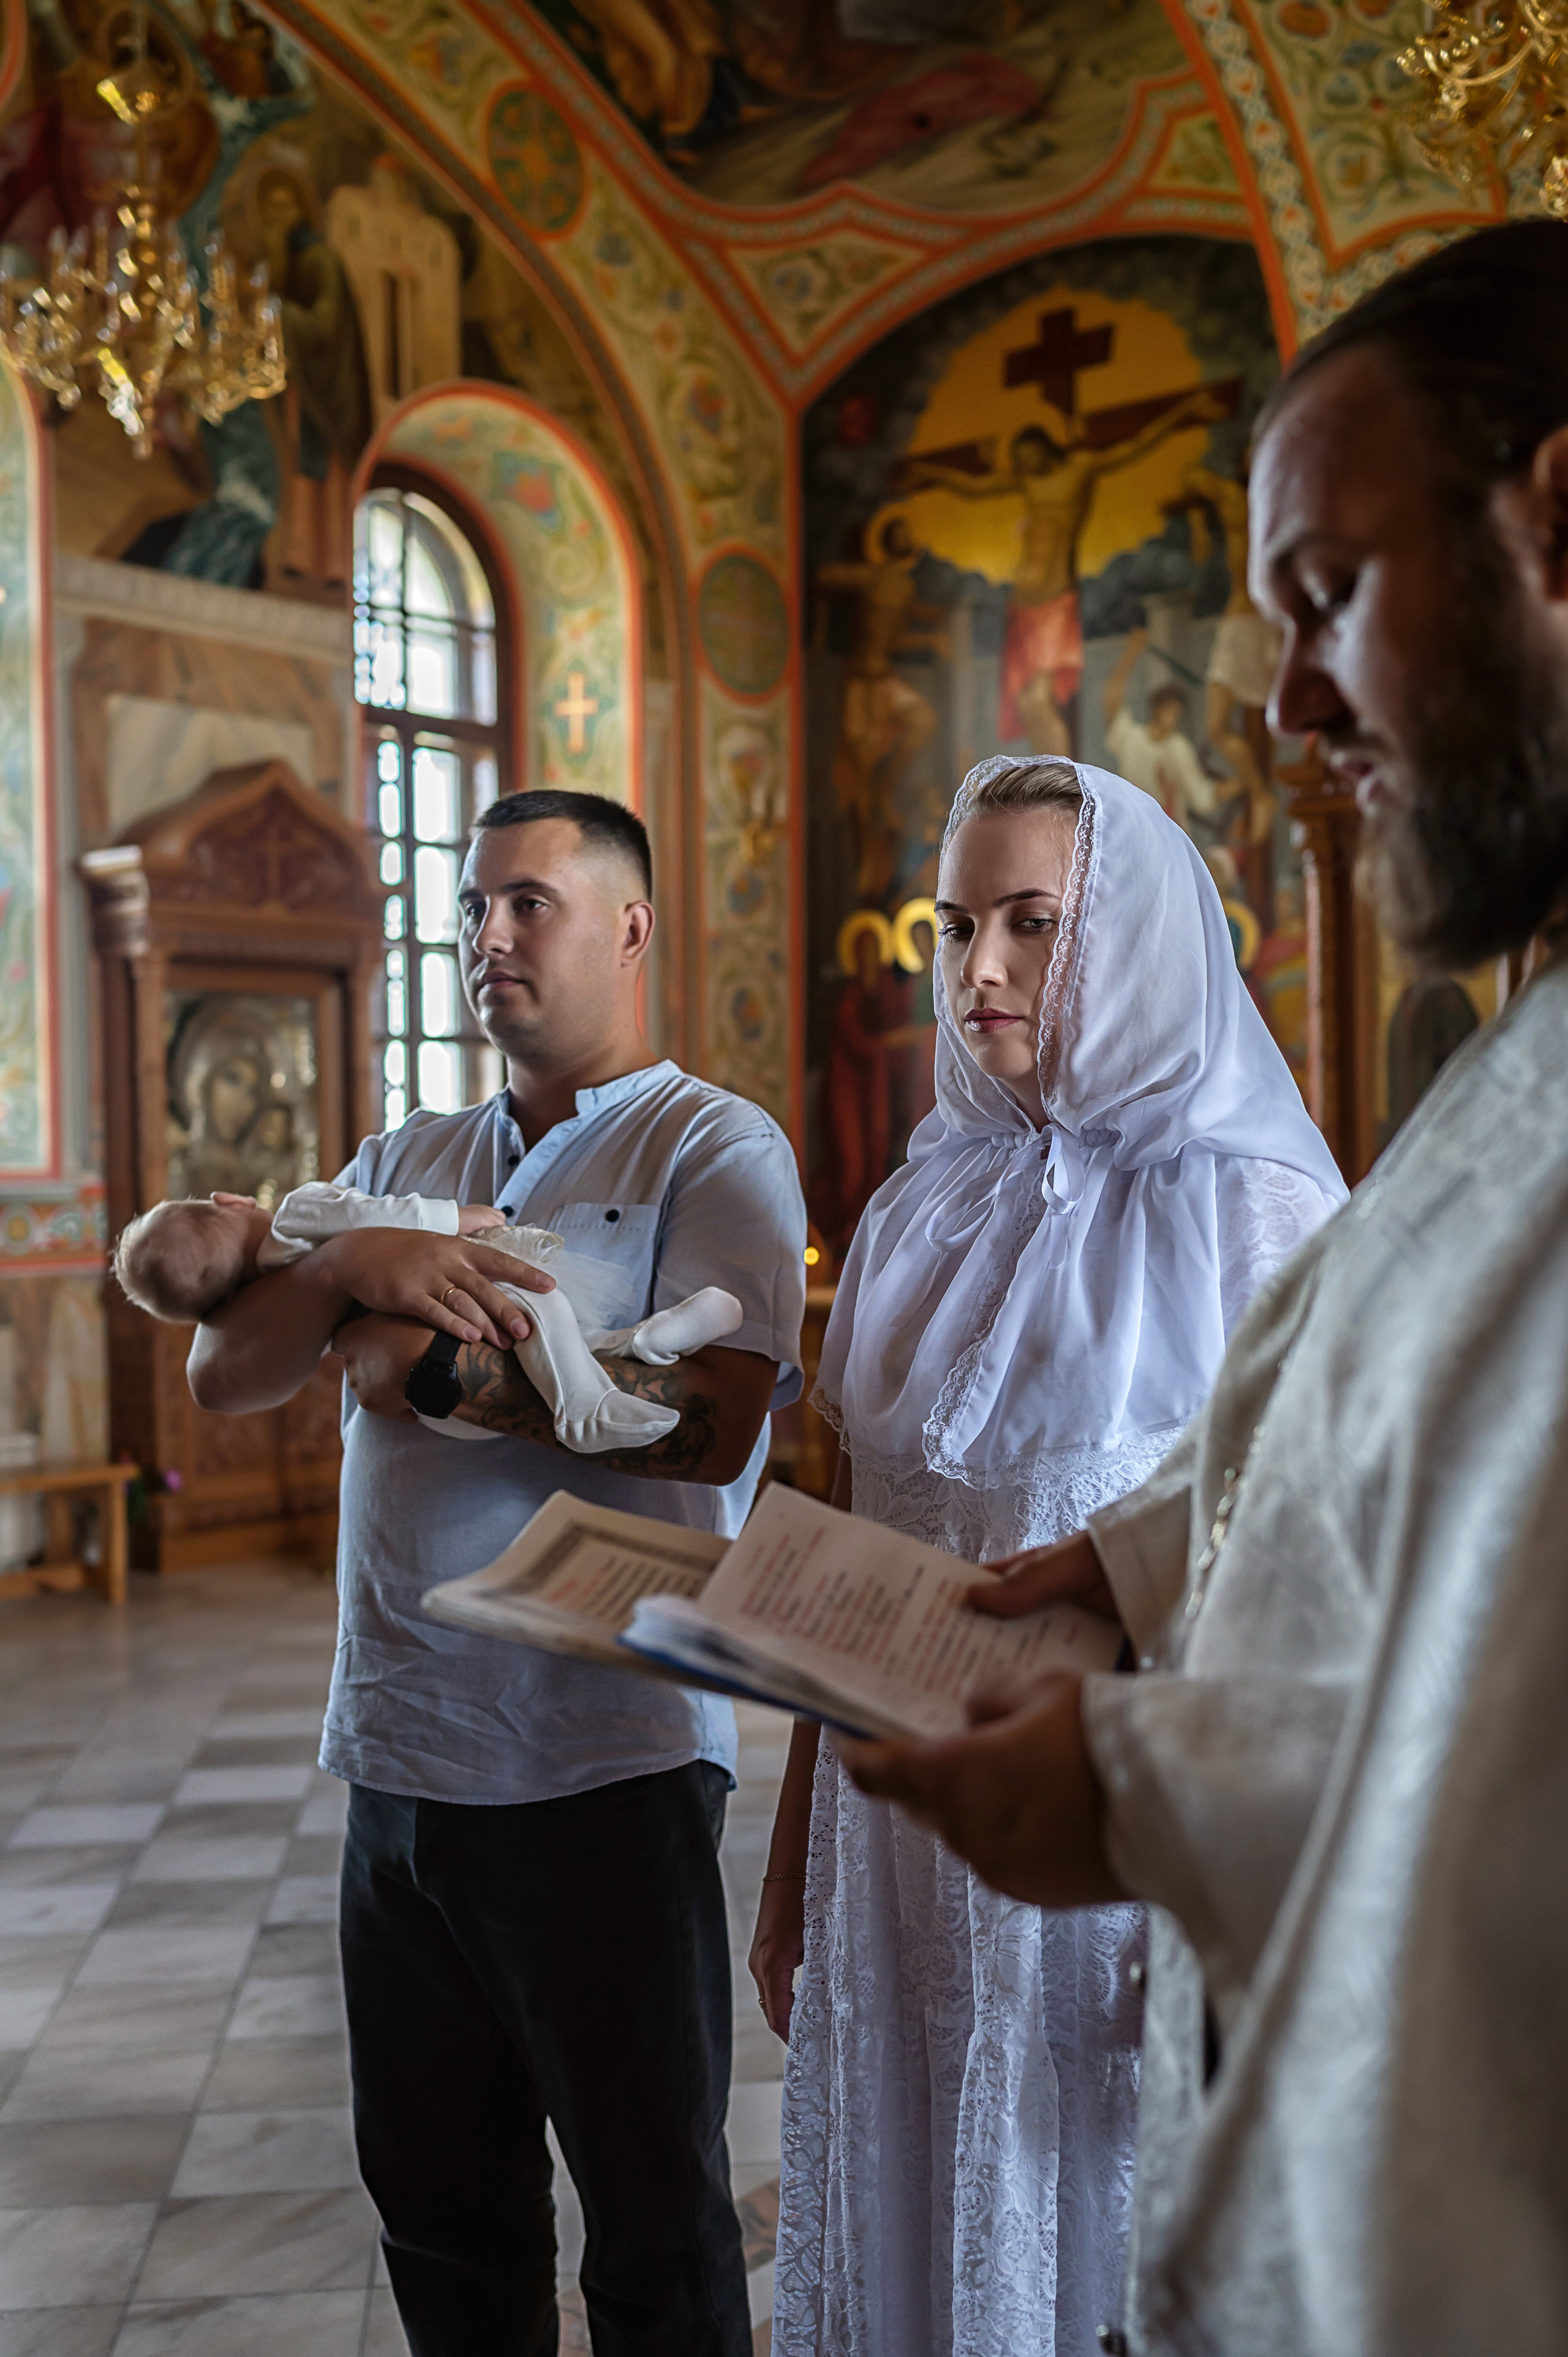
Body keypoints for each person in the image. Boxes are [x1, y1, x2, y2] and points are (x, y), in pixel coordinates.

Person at [839, 219, 1568, 2357]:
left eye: (1324, 593)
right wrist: (1139, 1552)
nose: (1286, 708)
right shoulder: (1521, 1057)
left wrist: (1150, 1788)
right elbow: (1426, 1439)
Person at [188, 787, 807, 2357]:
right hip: (398, 1759)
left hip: (604, 1766)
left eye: (530, 902)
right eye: (472, 906)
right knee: (441, 2216)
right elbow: (225, 1371)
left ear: (630, 927)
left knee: (653, 2235)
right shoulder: (406, 1154)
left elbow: (712, 1423)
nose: (488, 936)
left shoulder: (708, 1143)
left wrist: (418, 1364)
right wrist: (347, 1265)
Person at [756, 757, 1345, 2356]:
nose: (981, 969)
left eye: (1033, 922)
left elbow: (1309, 1589)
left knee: (1077, 2206)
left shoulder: (1251, 1208)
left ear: (1133, 934)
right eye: (955, 928)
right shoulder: (913, 1210)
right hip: (889, 1838)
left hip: (1106, 1854)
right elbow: (850, 1554)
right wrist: (792, 1858)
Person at [115, 1179, 742, 1454]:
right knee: (536, 1304)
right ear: (230, 1201)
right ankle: (585, 1408)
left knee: (552, 1334)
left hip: (443, 1415)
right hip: (452, 1357)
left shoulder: (273, 1287)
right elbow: (371, 1215)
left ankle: (641, 1341)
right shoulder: (297, 1212)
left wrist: (341, 1268)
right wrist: (453, 1220)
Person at [1102, 626, 1240, 849]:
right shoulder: (1132, 738)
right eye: (1170, 711)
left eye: (1178, 714)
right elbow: (1112, 700)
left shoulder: (1178, 747)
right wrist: (1131, 653)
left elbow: (1200, 795)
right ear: (1156, 709)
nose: (1173, 719)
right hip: (1132, 833)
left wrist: (1236, 786)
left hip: (1168, 839)